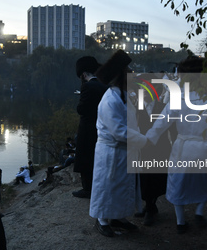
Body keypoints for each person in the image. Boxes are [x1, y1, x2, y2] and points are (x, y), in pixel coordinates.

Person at [146, 56, 207, 234]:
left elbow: (162, 122)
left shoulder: (179, 98)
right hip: (206, 147)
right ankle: (199, 211)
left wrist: (148, 139)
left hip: (184, 147)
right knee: (204, 180)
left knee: (178, 183)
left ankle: (180, 222)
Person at [89, 50, 148, 237]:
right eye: (128, 69)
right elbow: (119, 131)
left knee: (122, 185)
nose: (132, 72)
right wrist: (142, 140)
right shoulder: (110, 99)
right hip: (111, 152)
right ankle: (102, 220)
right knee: (108, 185)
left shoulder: (123, 95)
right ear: (120, 75)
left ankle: (119, 217)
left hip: (124, 151)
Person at [136, 82, 177, 226]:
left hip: (161, 147)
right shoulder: (136, 109)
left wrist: (175, 146)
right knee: (143, 177)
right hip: (142, 147)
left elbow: (173, 128)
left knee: (156, 177)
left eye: (147, 90)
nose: (144, 92)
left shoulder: (162, 108)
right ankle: (149, 206)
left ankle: (150, 207)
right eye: (142, 89)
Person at [73, 56, 108, 199]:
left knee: (85, 158)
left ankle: (87, 188)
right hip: (100, 127)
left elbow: (81, 109)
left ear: (83, 74)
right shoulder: (103, 85)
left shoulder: (87, 86)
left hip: (87, 128)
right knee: (95, 158)